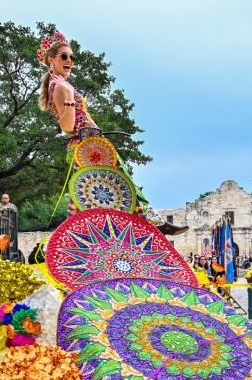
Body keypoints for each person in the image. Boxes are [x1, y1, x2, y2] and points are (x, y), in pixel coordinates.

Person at [36, 31, 188, 236]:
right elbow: (67, 126)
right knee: (114, 186)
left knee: (94, 192)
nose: (69, 60)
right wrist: (71, 98)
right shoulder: (62, 87)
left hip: (91, 142)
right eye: (64, 56)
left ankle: (141, 225)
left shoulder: (62, 85)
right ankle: (149, 225)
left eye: (72, 57)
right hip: (87, 144)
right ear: (51, 60)